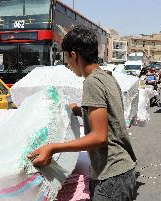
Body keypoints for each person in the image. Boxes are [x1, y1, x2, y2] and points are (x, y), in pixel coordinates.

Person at [28, 25, 137, 201]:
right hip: (120, 172)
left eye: (66, 57)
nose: (67, 64)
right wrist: (80, 110)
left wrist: (53, 147)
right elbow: (110, 116)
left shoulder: (92, 83)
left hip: (111, 174)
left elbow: (99, 137)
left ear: (74, 54)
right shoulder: (106, 76)